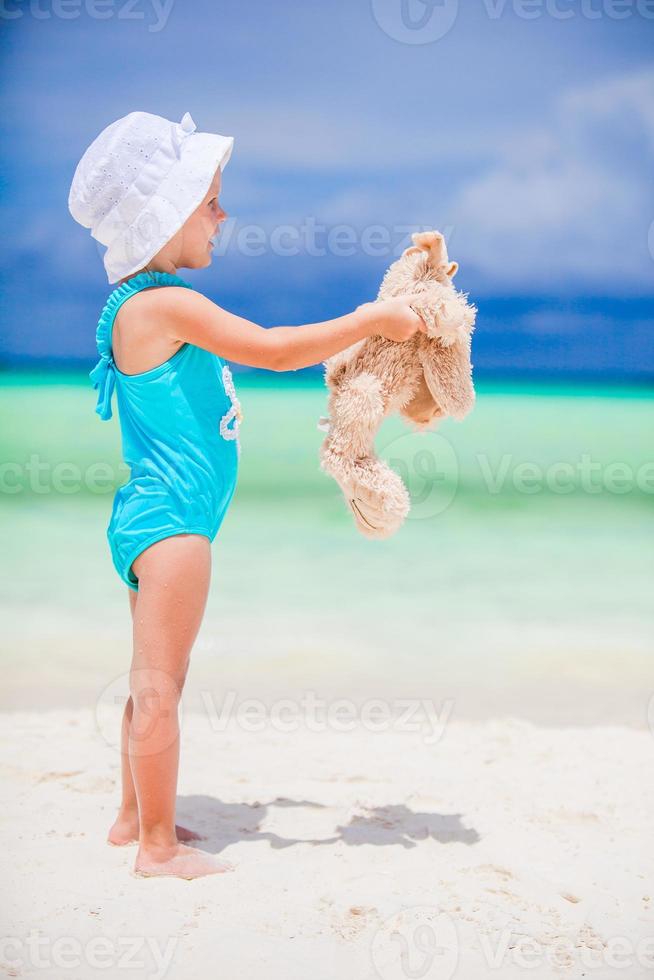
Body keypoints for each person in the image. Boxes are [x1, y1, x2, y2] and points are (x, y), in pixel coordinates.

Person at [68, 109, 426, 879]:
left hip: (153, 516)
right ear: (165, 215)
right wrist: (370, 321)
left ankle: (132, 817)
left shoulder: (140, 305)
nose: (223, 215)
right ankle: (157, 851)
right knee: (162, 684)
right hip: (176, 527)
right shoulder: (164, 304)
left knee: (152, 678)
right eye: (209, 201)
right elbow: (272, 350)